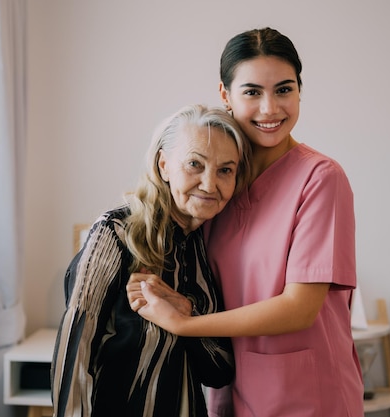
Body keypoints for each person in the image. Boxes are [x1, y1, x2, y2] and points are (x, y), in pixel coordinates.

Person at [127, 28, 364, 417]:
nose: (270, 108)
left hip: (308, 393)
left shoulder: (321, 179)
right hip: (230, 386)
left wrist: (186, 323)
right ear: (226, 95)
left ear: (299, 92)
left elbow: (299, 308)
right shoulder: (219, 182)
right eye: (252, 92)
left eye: (284, 90)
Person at [50, 103, 252, 417]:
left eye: (225, 170)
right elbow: (74, 353)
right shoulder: (115, 233)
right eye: (195, 164)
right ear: (163, 165)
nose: (210, 184)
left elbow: (220, 371)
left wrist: (187, 315)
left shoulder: (205, 247)